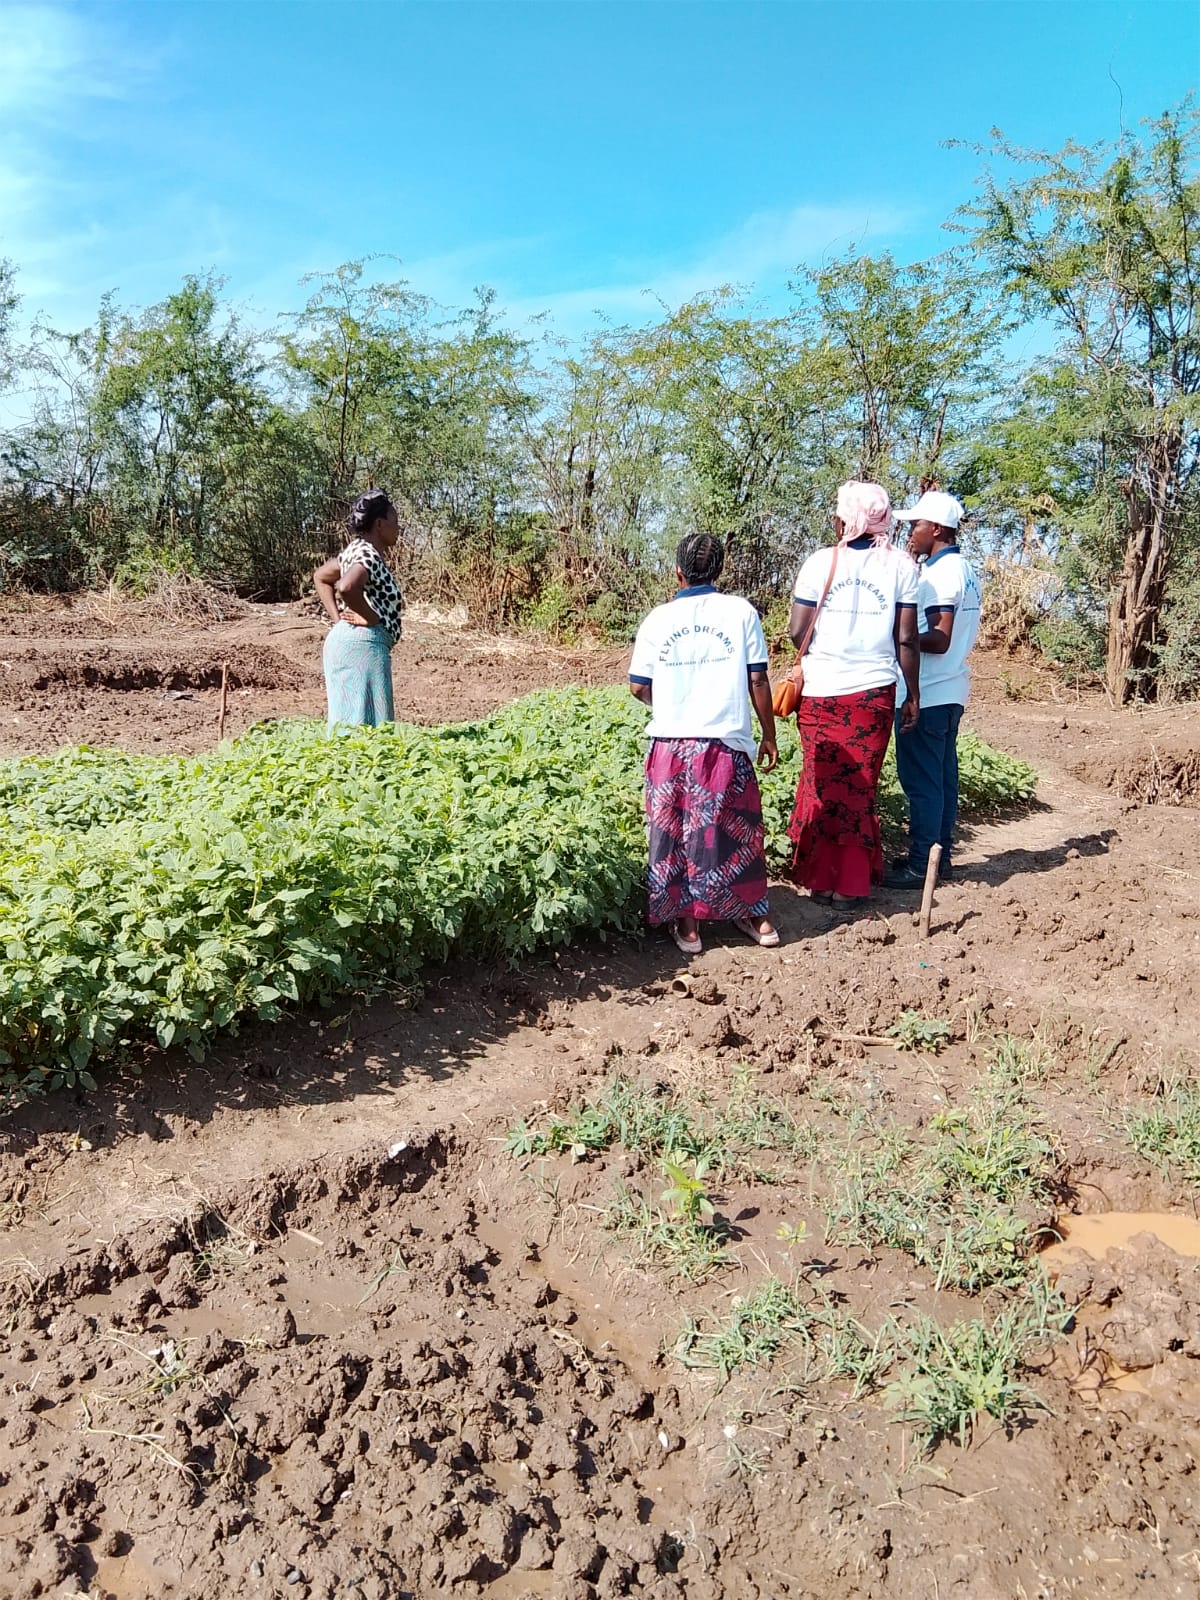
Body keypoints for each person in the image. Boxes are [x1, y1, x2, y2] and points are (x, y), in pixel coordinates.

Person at [629, 534, 780, 955]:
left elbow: (638, 686)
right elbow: (758, 679)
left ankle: (690, 927)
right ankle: (756, 917)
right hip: (725, 743)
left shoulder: (658, 619)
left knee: (676, 831)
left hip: (671, 746)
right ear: (719, 571)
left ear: (678, 572)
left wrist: (675, 702)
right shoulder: (740, 612)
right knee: (737, 833)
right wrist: (768, 734)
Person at [785, 481, 920, 906]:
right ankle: (850, 886)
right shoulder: (902, 567)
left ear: (845, 519)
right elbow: (906, 639)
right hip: (872, 696)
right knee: (859, 788)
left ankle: (820, 881)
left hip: (820, 694)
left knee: (821, 784)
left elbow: (795, 630)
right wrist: (912, 693)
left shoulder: (820, 562)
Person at [885, 490, 982, 888]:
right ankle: (937, 858)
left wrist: (897, 636)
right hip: (951, 689)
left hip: (930, 690)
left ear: (937, 529)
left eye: (916, 525)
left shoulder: (940, 576)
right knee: (941, 778)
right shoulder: (966, 571)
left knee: (922, 782)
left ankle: (920, 864)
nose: (911, 532)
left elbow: (939, 637)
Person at [314, 489, 404, 728]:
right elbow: (346, 586)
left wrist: (338, 622)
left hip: (346, 643)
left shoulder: (353, 551)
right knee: (373, 730)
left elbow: (321, 576)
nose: (398, 528)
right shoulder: (368, 556)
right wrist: (371, 618)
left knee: (348, 725)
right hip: (365, 646)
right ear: (379, 524)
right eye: (395, 522)